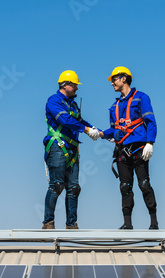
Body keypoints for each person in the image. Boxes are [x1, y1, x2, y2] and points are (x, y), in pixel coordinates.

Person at [100, 66, 158, 230]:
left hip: (139, 148)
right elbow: (114, 130)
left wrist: (150, 143)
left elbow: (150, 122)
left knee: (144, 184)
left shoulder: (141, 98)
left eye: (114, 79)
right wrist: (101, 134)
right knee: (125, 187)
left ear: (124, 78)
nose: (112, 83)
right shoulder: (114, 106)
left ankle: (154, 223)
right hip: (121, 152)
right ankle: (128, 224)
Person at [42, 70, 100, 230]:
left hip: (73, 149)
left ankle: (71, 224)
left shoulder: (72, 105)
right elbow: (64, 120)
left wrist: (98, 131)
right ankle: (48, 223)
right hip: (57, 147)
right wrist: (86, 130)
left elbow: (80, 121)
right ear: (65, 85)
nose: (77, 88)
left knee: (74, 187)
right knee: (57, 185)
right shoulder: (53, 101)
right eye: (74, 85)